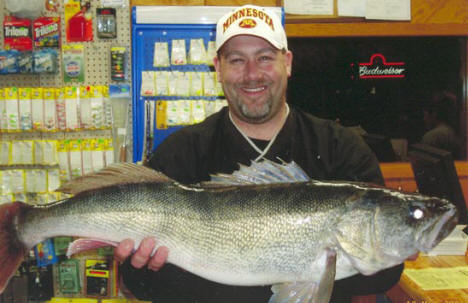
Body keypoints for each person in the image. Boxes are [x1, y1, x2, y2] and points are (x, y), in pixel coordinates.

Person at [115, 4, 404, 302]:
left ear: (287, 62)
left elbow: (384, 276)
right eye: (237, 60)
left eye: (265, 58)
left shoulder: (341, 149)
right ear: (218, 68)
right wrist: (142, 267)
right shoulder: (181, 153)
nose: (252, 75)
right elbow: (139, 286)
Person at [421, 91, 461, 157]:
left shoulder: (432, 136)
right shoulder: (451, 132)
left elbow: (424, 164)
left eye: (425, 115)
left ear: (434, 113)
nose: (424, 119)